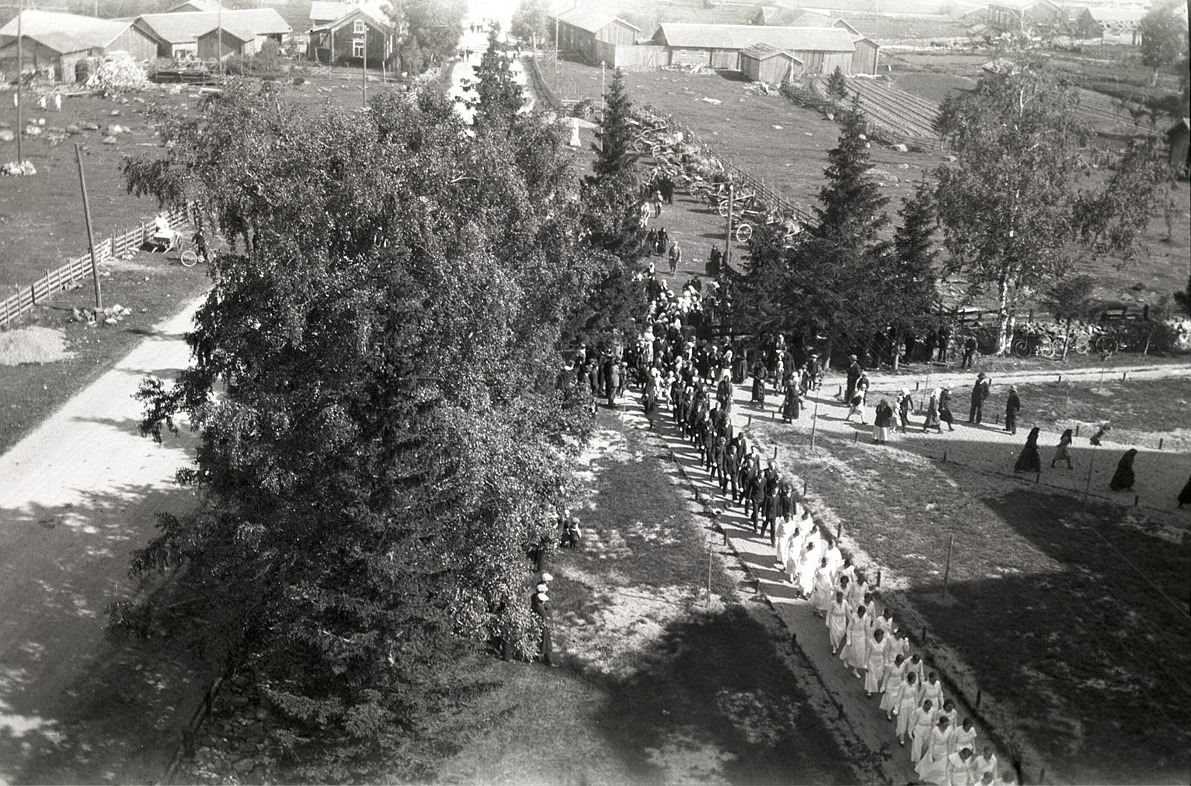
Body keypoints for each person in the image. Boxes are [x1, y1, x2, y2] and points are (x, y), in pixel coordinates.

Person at [530, 580, 556, 667]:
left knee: (538, 641)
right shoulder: (540, 608)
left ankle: (536, 656)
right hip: (544, 627)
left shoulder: (535, 603)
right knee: (546, 644)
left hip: (538, 625)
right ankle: (549, 661)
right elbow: (545, 617)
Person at [839, 604, 869, 678]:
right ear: (858, 612)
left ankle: (855, 670)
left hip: (861, 636)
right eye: (861, 614)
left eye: (863, 614)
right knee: (851, 650)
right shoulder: (853, 617)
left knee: (859, 654)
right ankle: (846, 658)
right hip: (854, 636)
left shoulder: (865, 617)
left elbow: (866, 628)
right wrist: (848, 640)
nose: (862, 615)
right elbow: (849, 629)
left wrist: (867, 637)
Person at [893, 670, 919, 746]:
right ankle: (901, 736)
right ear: (910, 679)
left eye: (915, 679)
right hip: (904, 703)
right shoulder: (903, 685)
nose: (915, 681)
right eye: (913, 679)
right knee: (903, 720)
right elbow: (899, 696)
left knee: (911, 719)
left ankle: (909, 731)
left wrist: (916, 705)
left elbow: (916, 695)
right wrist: (896, 707)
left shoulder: (915, 684)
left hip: (912, 703)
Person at [864, 627, 889, 697]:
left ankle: (873, 687)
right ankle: (869, 691)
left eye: (882, 636)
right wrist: (865, 664)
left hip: (880, 661)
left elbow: (885, 653)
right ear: (876, 636)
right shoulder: (871, 642)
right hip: (872, 660)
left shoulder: (884, 642)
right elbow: (867, 653)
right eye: (880, 637)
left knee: (878, 676)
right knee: (872, 676)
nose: (881, 638)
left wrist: (885, 662)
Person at [826, 590, 850, 655]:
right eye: (838, 597)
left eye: (841, 597)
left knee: (841, 633)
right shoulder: (832, 603)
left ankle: (837, 644)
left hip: (842, 620)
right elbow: (829, 613)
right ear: (836, 597)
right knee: (834, 633)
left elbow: (848, 612)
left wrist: (850, 621)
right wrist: (827, 622)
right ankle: (834, 647)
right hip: (834, 620)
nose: (840, 599)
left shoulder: (845, 603)